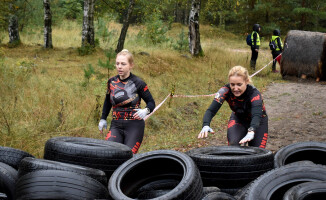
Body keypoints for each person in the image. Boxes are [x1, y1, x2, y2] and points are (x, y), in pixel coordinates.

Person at [98, 49, 155, 154]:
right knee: (110, 153)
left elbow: (151, 102)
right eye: (117, 64)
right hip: (116, 124)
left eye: (123, 64)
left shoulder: (138, 83)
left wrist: (145, 111)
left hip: (134, 126)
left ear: (131, 65)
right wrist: (103, 118)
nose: (119, 67)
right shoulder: (111, 82)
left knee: (128, 156)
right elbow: (107, 101)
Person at [198, 66, 268, 148]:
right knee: (232, 145)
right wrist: (206, 124)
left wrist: (252, 130)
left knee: (258, 153)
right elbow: (211, 110)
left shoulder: (254, 93)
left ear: (246, 82)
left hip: (258, 121)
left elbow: (257, 114)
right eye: (232, 84)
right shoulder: (224, 91)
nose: (235, 88)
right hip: (238, 119)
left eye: (239, 84)